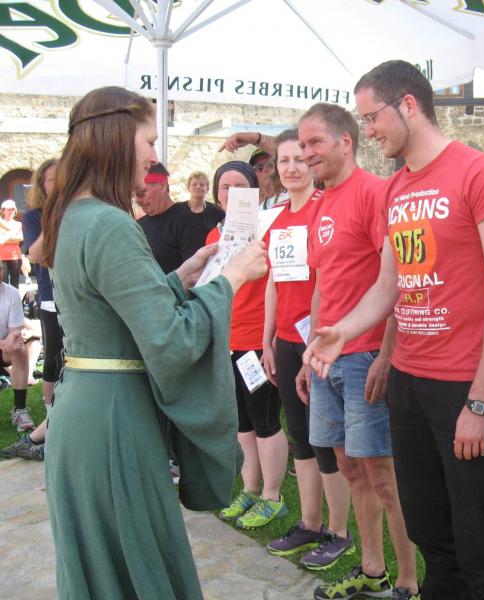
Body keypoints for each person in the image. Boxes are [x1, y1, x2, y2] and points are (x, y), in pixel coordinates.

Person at [306, 60, 484, 600]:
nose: (367, 131)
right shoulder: (395, 189)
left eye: (371, 117)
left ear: (408, 104)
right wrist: (342, 331)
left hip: (465, 384)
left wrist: (479, 402)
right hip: (409, 383)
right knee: (431, 532)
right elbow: (389, 284)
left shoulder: (480, 173)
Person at [40, 85, 268, 599]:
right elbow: (169, 339)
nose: (153, 155)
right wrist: (232, 277)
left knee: (106, 569)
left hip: (82, 412)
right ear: (117, 139)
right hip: (114, 421)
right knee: (138, 560)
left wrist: (182, 276)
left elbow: (109, 310)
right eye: (148, 141)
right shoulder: (110, 223)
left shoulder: (74, 214)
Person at [297, 102, 419, 600]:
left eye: (314, 143)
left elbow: (395, 282)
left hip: (366, 356)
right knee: (348, 468)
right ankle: (373, 572)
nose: (306, 154)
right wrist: (310, 351)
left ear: (345, 142)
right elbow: (323, 282)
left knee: (383, 476)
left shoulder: (375, 194)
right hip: (328, 359)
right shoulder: (321, 203)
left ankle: (408, 583)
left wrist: (387, 356)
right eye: (302, 145)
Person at [260, 129, 353, 570]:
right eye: (284, 160)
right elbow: (273, 283)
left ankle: (339, 531)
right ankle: (310, 523)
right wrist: (267, 340)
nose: (292, 167)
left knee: (326, 439)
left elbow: (329, 280)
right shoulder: (277, 219)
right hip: (286, 339)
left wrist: (315, 338)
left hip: (321, 339)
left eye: (299, 158)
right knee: (300, 435)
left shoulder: (324, 208)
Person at [207, 161, 290, 531]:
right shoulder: (214, 235)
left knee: (265, 420)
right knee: (241, 423)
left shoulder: (268, 228)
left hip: (257, 342)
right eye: (225, 187)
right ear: (217, 194)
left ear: (255, 192)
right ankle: (250, 489)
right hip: (228, 343)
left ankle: (273, 496)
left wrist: (270, 338)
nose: (232, 193)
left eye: (240, 186)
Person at [23, 158, 63, 409]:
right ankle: (51, 415)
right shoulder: (33, 217)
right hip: (52, 296)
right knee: (53, 358)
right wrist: (55, 215)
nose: (59, 184)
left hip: (80, 295)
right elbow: (38, 255)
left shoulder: (79, 210)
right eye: (52, 179)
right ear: (42, 185)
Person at [135, 162, 197, 273]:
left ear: (162, 186)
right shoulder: (138, 226)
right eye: (134, 194)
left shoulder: (188, 220)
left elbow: (195, 272)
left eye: (141, 193)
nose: (137, 200)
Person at [0, 261, 32, 433]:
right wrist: (4, 343)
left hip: (4, 348)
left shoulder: (11, 292)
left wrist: (11, 340)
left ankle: (19, 410)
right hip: (2, 345)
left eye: (0, 269)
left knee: (20, 349)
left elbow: (14, 331)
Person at [184, 170, 224, 253]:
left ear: (207, 189)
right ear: (188, 187)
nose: (198, 187)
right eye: (194, 184)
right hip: (184, 258)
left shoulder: (215, 210)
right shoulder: (178, 209)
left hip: (209, 255)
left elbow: (227, 226)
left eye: (202, 185)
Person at [0, 199, 23, 288]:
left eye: (13, 209)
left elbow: (20, 238)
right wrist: (13, 236)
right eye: (8, 209)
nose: (11, 211)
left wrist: (4, 238)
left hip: (15, 256)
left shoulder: (18, 224)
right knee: (3, 284)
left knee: (15, 284)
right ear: (3, 211)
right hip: (1, 256)